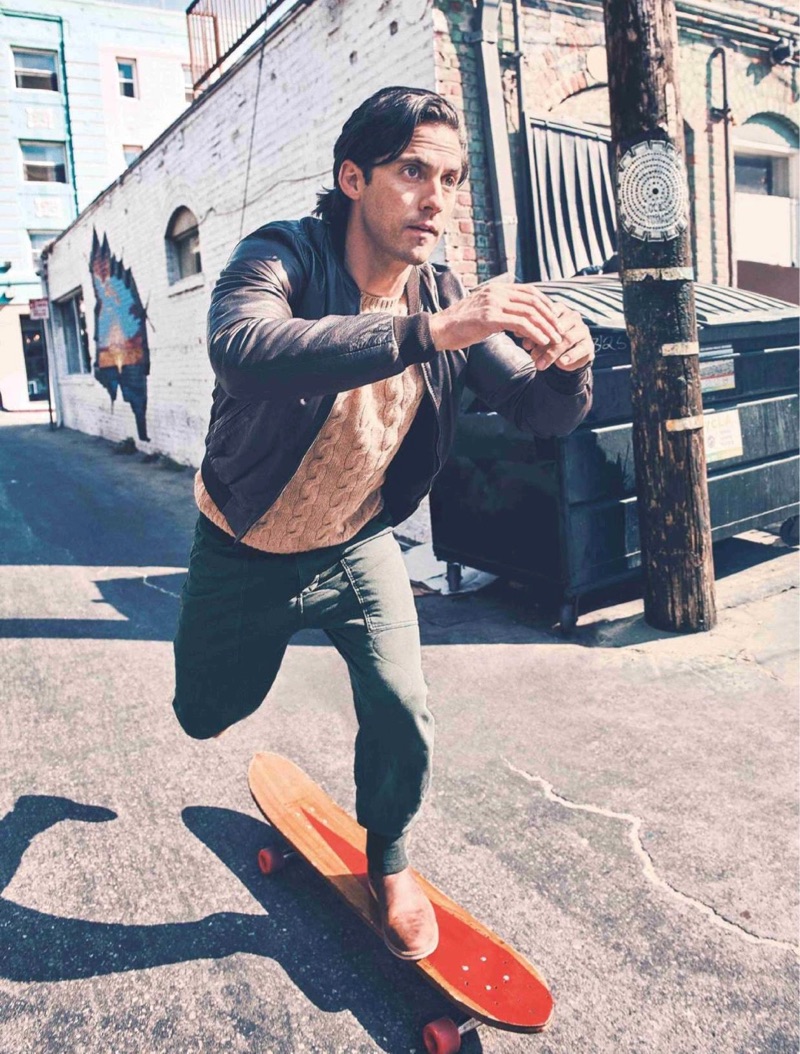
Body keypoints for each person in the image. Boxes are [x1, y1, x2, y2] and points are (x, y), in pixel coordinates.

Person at [172, 86, 594, 961]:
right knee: (207, 713)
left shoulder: (443, 299)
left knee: (402, 707)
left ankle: (391, 860)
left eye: (449, 177)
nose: (435, 197)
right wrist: (424, 332)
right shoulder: (282, 255)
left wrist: (569, 372)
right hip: (244, 546)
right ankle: (234, 678)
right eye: (412, 172)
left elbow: (539, 415)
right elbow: (243, 350)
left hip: (356, 547)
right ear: (352, 176)